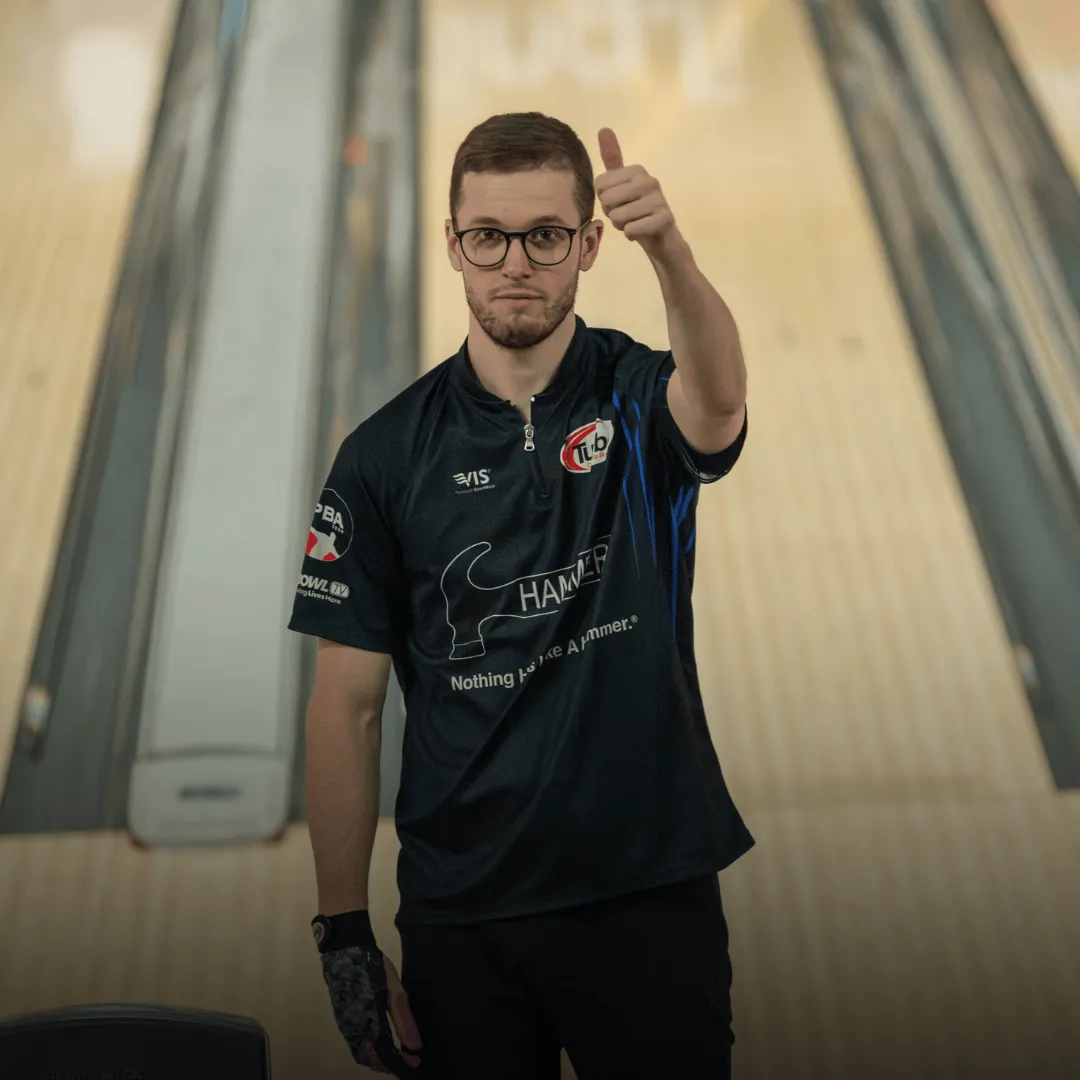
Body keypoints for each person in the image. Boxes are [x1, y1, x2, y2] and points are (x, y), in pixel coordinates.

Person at [289, 112, 753, 1080]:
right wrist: (343, 930)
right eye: (488, 237)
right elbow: (346, 707)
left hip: (648, 894)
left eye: (545, 236)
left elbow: (716, 403)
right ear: (451, 244)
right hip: (464, 917)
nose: (515, 264)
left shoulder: (638, 395)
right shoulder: (382, 458)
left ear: (588, 243)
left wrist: (669, 249)